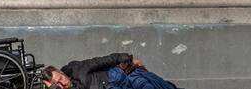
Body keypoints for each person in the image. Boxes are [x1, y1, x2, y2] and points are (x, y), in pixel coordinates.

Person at [42, 53, 180, 89]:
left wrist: (125, 58)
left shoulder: (76, 69)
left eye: (60, 79)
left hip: (117, 76)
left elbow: (100, 61)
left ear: (61, 72)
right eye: (57, 85)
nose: (62, 84)